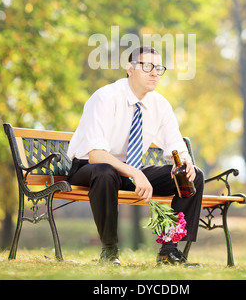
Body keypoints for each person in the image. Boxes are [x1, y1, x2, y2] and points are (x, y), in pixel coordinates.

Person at [67, 46, 204, 266]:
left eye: (159, 68)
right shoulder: (105, 97)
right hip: (90, 169)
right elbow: (96, 155)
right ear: (129, 69)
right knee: (105, 171)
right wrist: (135, 172)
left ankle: (169, 250)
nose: (154, 73)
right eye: (147, 66)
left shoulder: (160, 105)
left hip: (129, 172)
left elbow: (175, 145)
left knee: (193, 175)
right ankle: (109, 251)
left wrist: (185, 161)